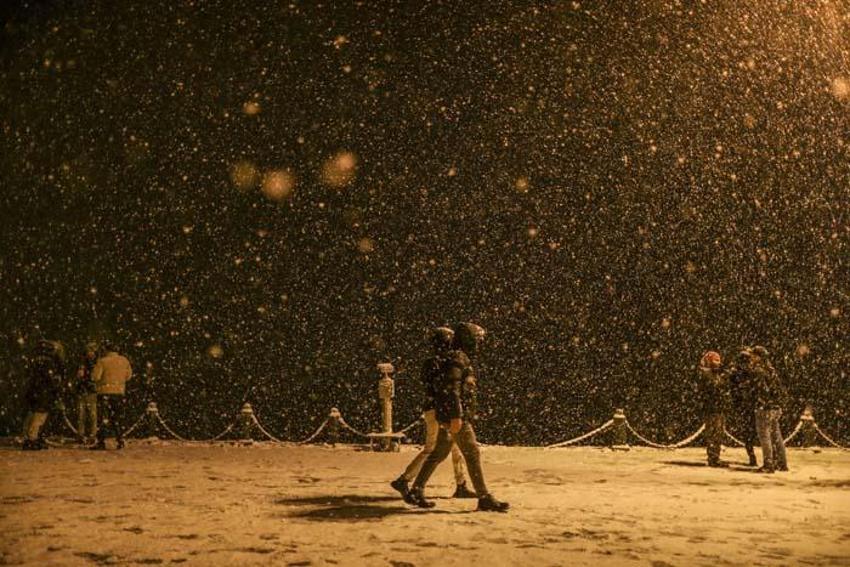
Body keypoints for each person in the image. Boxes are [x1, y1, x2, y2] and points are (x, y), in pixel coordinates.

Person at [406, 322, 509, 512]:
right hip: (455, 416)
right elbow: (453, 388)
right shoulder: (458, 358)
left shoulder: (452, 357)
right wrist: (457, 416)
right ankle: (484, 497)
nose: (479, 343)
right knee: (472, 453)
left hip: (447, 413)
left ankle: (416, 489)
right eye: (477, 339)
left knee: (439, 452)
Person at [390, 327, 475, 502]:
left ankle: (461, 484)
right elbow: (443, 387)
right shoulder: (439, 362)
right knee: (432, 449)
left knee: (455, 449)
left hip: (437, 407)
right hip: (437, 409)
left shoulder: (435, 361)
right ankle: (404, 479)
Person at [21, 340, 66, 450]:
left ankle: (28, 438)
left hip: (33, 391)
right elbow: (50, 379)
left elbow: (29, 375)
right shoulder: (48, 362)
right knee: (39, 416)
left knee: (32, 414)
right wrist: (55, 387)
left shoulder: (34, 360)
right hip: (43, 392)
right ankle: (32, 439)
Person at [750, 346, 788, 473]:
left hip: (765, 407)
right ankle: (782, 463)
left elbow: (760, 390)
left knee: (765, 436)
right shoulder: (772, 370)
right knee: (776, 435)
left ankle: (768, 464)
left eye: (754, 355)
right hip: (776, 407)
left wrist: (760, 401)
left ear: (759, 357)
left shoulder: (758, 371)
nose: (751, 358)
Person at [91, 342, 133, 450]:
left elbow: (96, 377)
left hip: (104, 392)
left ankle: (101, 442)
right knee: (117, 417)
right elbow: (128, 376)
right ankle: (120, 440)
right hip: (119, 392)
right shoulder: (124, 360)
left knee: (104, 418)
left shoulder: (102, 361)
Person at [698, 350, 730, 467]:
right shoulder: (706, 373)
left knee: (718, 434)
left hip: (718, 407)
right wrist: (724, 377)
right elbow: (715, 386)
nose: (718, 363)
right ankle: (713, 458)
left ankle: (715, 456)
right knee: (713, 434)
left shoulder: (714, 373)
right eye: (715, 361)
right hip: (712, 408)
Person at [728, 348, 758, 466]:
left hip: (744, 405)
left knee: (748, 433)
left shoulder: (736, 372)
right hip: (751, 405)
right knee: (753, 432)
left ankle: (752, 456)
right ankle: (754, 456)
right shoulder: (751, 371)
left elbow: (732, 388)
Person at [74, 342, 99, 443]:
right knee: (81, 415)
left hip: (91, 391)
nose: (90, 353)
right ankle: (81, 435)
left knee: (91, 415)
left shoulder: (97, 362)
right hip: (84, 390)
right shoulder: (82, 362)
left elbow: (95, 376)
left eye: (92, 350)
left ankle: (92, 435)